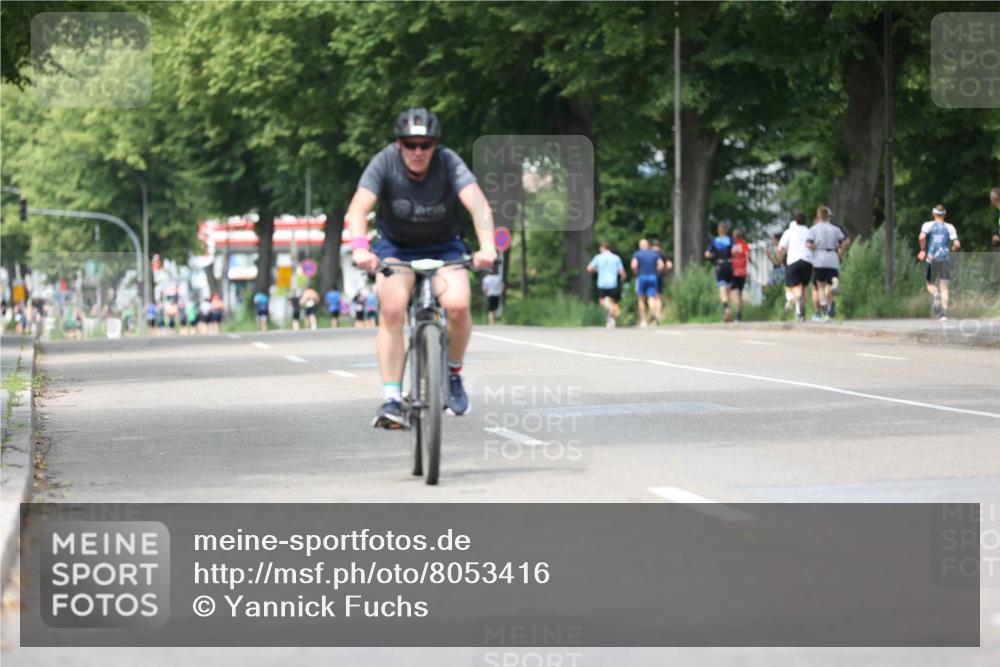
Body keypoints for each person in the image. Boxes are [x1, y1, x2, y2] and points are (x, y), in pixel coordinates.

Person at [346, 108, 496, 428]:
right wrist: (360, 249)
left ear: (435, 145)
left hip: (444, 246)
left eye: (425, 145)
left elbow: (478, 204)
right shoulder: (384, 162)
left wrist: (488, 247)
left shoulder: (448, 162)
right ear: (399, 144)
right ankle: (391, 398)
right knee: (392, 308)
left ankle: (453, 374)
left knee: (457, 304)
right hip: (396, 249)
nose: (417, 152)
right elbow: (358, 209)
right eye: (410, 144)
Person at [918, 204, 960, 320]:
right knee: (945, 287)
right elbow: (957, 244)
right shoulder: (949, 227)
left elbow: (921, 237)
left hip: (932, 259)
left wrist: (922, 250)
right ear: (944, 215)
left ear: (933, 214)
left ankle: (935, 294)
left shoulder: (928, 225)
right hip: (944, 259)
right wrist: (953, 250)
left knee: (930, 284)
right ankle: (944, 314)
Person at [806, 206, 848, 321]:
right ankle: (831, 301)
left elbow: (808, 244)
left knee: (820, 286)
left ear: (818, 216)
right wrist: (840, 252)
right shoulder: (835, 229)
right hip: (832, 257)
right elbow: (844, 242)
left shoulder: (813, 229)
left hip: (819, 258)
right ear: (828, 216)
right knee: (830, 285)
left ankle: (825, 307)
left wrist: (814, 246)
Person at [777, 212, 813, 323]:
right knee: (804, 287)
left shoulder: (789, 232)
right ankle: (801, 313)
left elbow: (781, 248)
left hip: (793, 261)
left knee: (793, 286)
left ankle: (793, 300)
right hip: (807, 261)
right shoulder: (809, 231)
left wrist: (780, 260)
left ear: (795, 221)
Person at [587, 242, 626, 328]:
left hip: (602, 283)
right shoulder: (616, 258)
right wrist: (622, 281)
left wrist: (598, 270)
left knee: (602, 301)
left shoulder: (598, 257)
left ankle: (610, 316)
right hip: (613, 283)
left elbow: (589, 268)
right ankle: (611, 317)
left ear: (602, 248)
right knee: (613, 302)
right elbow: (622, 272)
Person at [704, 222, 735, 322]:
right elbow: (736, 251)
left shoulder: (715, 241)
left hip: (719, 265)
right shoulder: (730, 240)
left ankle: (726, 307)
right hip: (730, 265)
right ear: (726, 231)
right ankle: (728, 309)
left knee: (722, 287)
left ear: (719, 230)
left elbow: (707, 254)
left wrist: (713, 256)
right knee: (728, 288)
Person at [630, 239, 664, 327]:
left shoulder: (637, 254)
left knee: (641, 299)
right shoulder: (654, 254)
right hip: (653, 277)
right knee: (652, 297)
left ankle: (644, 320)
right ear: (648, 245)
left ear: (640, 246)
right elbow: (661, 265)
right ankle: (653, 311)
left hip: (642, 277)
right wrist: (657, 272)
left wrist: (635, 272)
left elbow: (633, 265)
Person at [730, 227, 752, 322]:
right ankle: (739, 316)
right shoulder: (744, 244)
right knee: (739, 293)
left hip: (734, 272)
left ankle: (738, 313)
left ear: (734, 236)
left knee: (734, 295)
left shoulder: (731, 245)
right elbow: (749, 256)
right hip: (743, 272)